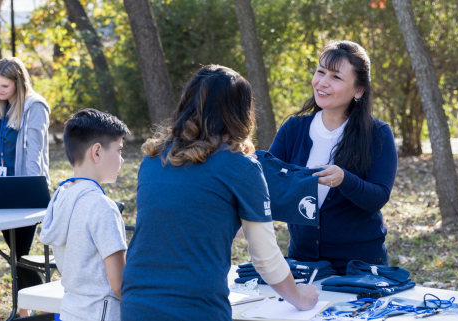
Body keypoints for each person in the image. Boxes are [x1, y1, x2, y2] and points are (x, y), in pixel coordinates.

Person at [121, 65, 319, 320]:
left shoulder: (152, 159)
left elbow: (179, 226)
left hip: (135, 304)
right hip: (196, 309)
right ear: (240, 113)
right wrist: (301, 298)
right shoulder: (241, 166)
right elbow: (266, 258)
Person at [268, 41, 397, 274]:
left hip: (359, 267)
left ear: (359, 91)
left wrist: (344, 179)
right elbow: (268, 181)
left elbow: (378, 197)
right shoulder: (293, 129)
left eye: (336, 77)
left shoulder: (377, 134)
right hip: (303, 262)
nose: (323, 82)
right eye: (320, 72)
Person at [40, 109, 129, 321]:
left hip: (70, 311)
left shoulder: (60, 199)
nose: (122, 160)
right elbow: (120, 284)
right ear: (97, 151)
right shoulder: (103, 207)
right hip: (103, 314)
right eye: (119, 151)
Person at [0, 57, 51, 317]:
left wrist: (33, 193)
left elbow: (34, 155)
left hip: (26, 192)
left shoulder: (35, 107)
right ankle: (29, 310)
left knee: (20, 256)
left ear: (18, 83)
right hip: (2, 191)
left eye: (4, 86)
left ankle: (30, 311)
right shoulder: (1, 107)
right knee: (15, 255)